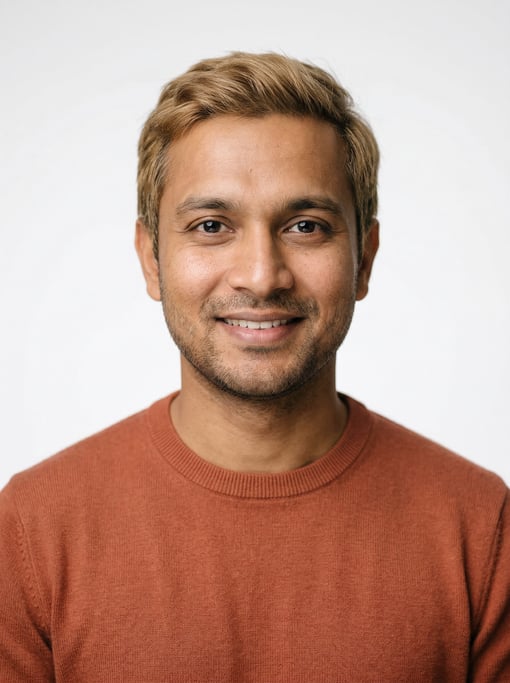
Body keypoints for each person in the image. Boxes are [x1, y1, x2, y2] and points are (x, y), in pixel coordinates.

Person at [0, 52, 508, 683]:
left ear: (365, 260)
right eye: (212, 226)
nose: (262, 275)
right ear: (152, 260)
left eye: (305, 226)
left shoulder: (480, 527)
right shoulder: (33, 528)